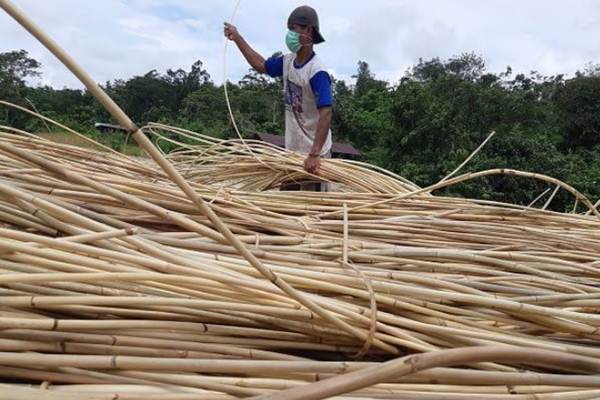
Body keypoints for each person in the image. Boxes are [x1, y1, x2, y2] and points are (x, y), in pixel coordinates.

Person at [224, 5, 333, 191]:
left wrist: (314, 154)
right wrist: (238, 38)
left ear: (308, 30)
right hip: (291, 154)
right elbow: (261, 65)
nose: (289, 34)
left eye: (293, 29)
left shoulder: (317, 71)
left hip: (314, 157)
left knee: (312, 210)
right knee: (287, 206)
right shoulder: (288, 61)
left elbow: (326, 113)